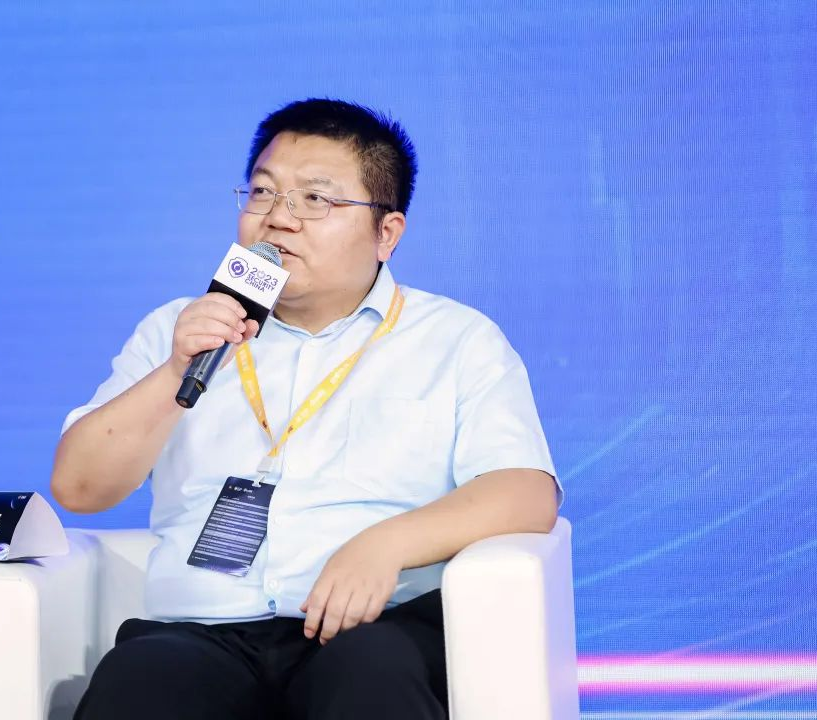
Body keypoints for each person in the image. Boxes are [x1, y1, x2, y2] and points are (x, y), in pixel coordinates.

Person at [51, 98, 561, 720]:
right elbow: (79, 488)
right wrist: (175, 373)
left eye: (315, 199)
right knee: (141, 684)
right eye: (262, 193)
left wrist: (387, 544)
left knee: (369, 679)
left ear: (387, 233)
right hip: (200, 632)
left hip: (375, 628)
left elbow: (525, 491)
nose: (278, 219)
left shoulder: (455, 339)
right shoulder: (177, 331)